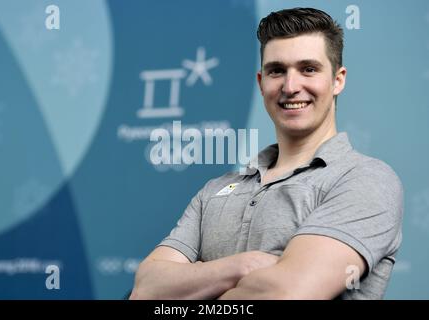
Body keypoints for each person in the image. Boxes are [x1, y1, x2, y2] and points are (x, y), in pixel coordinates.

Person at [129, 7, 403, 300]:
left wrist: (196, 282)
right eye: (277, 71)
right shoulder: (214, 191)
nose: (291, 86)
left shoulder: (365, 180)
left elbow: (286, 293)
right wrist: (246, 266)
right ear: (261, 82)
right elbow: (146, 290)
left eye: (308, 69)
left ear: (338, 80)